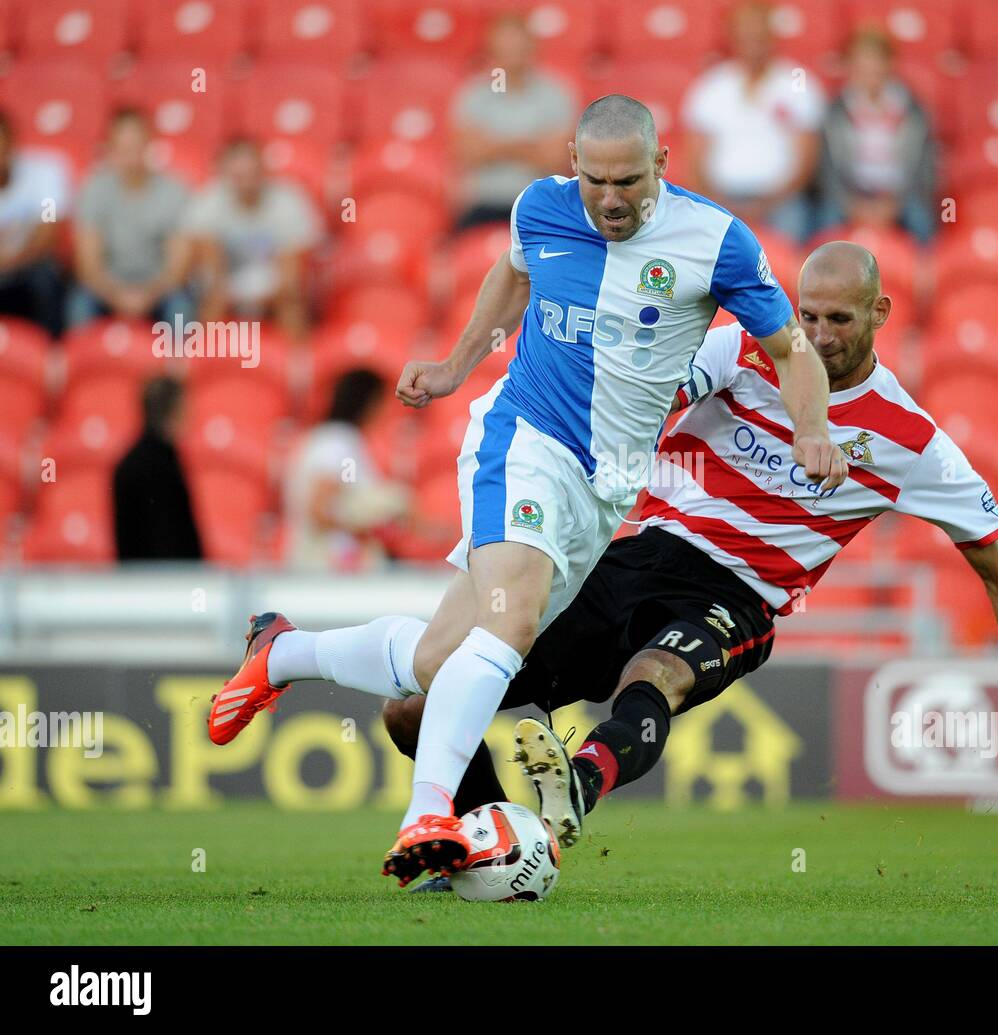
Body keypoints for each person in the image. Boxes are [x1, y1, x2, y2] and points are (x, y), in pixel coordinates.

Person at [215, 242, 998, 893]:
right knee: (413, 708)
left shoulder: (910, 440)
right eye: (809, 315)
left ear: (882, 314)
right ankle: (479, 845)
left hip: (738, 597)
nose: (817, 336)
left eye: (840, 320)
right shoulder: (742, 352)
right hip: (631, 557)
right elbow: (642, 399)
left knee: (656, 673)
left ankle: (576, 790)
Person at [207, 95, 847, 886]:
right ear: (572, 163)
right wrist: (453, 365)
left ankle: (282, 652)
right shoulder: (541, 207)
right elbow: (511, 277)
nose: (611, 199)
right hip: (525, 438)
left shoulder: (716, 241)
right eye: (595, 179)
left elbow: (791, 350)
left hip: (604, 491)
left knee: (441, 660)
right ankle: (428, 815)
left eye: (628, 181)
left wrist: (812, 428)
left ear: (663, 164)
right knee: (508, 631)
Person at [681, 1, 826, 242]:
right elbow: (696, 159)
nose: (753, 45)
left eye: (760, 36)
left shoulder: (796, 80)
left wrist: (767, 204)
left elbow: (807, 159)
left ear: (772, 37)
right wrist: (718, 202)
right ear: (733, 38)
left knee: (794, 226)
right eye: (746, 36)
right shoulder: (712, 85)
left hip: (781, 202)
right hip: (723, 198)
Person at [183, 138, 321, 340]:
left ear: (263, 171)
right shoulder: (208, 202)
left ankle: (298, 367)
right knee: (211, 304)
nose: (246, 182)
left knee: (292, 306)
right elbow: (210, 268)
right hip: (226, 287)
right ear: (224, 175)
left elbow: (291, 275)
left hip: (275, 287)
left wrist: (261, 298)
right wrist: (227, 294)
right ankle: (205, 364)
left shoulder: (289, 200)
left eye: (252, 173)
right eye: (239, 175)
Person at [67, 108, 193, 329]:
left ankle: (179, 364)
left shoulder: (175, 191)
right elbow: (88, 266)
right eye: (123, 148)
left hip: (158, 288)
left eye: (137, 146)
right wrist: (119, 296)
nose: (131, 155)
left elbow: (177, 269)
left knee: (181, 308)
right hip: (107, 287)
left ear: (149, 145)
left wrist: (145, 296)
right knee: (79, 306)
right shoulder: (93, 189)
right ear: (110, 149)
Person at [450, 11, 576, 229]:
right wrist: (530, 146)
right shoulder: (473, 94)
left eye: (517, 47)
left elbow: (554, 159)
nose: (511, 55)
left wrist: (495, 145)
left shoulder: (557, 94)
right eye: (504, 48)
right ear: (490, 50)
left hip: (540, 204)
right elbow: (469, 153)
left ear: (532, 48)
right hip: (484, 204)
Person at [283, 369, 411, 571]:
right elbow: (321, 506)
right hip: (329, 570)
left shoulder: (333, 441)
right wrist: (364, 528)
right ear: (369, 403)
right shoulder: (339, 443)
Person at [821, 29, 937, 242]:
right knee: (825, 221)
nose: (870, 71)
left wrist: (893, 205)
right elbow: (828, 172)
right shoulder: (835, 112)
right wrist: (853, 206)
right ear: (850, 66)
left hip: (900, 197)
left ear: (889, 65)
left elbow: (924, 170)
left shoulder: (913, 111)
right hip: (850, 196)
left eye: (876, 62)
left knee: (921, 220)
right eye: (862, 63)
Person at [112, 376, 203, 561]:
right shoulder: (165, 466)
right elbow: (173, 539)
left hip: (138, 582)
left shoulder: (126, 464)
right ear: (175, 411)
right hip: (166, 582)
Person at [0, 110, 70, 339]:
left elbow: (49, 226)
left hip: (30, 263)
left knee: (46, 277)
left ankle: (53, 351)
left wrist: (14, 260)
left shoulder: (44, 174)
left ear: (12, 144)